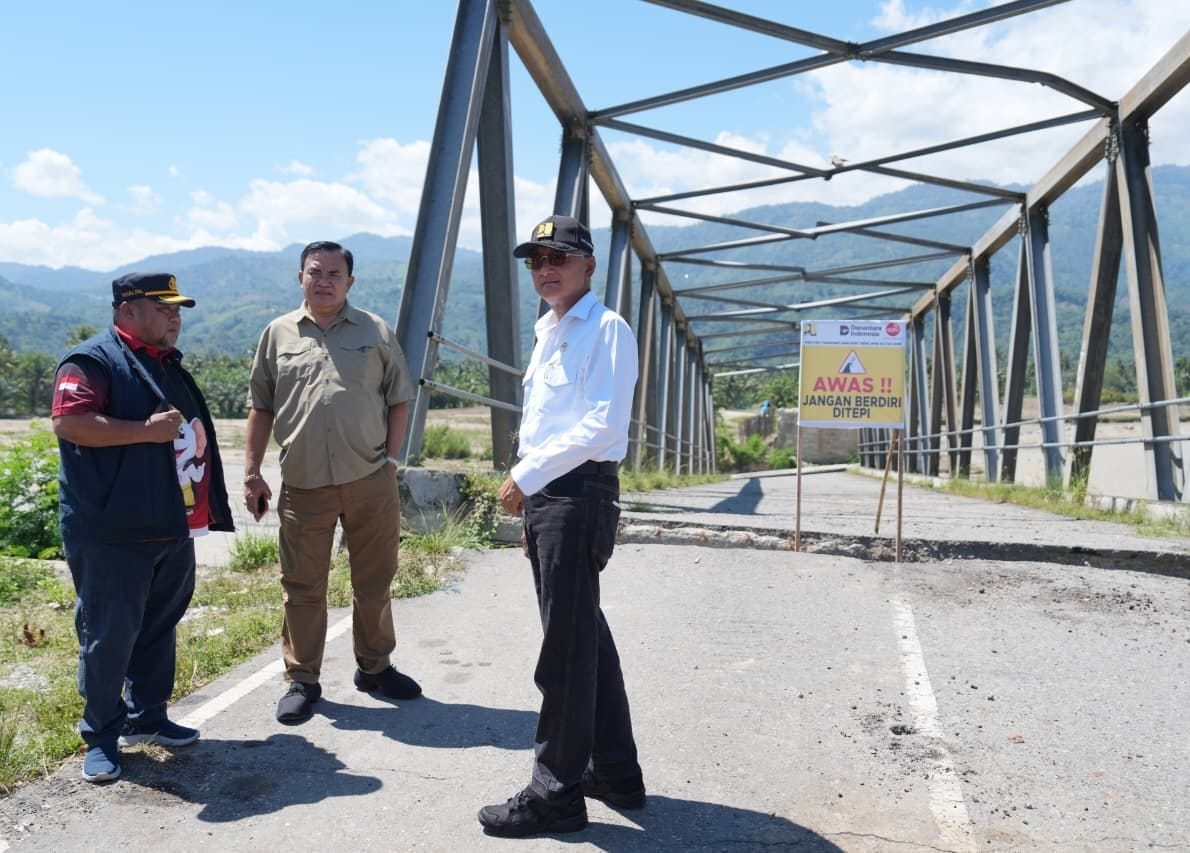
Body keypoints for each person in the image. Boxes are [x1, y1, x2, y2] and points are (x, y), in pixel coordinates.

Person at [478, 215, 645, 837]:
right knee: (585, 637)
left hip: (576, 495)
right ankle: (617, 772)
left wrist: (527, 474)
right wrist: (534, 482)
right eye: (536, 261)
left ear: (589, 265)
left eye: (559, 258)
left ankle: (555, 794)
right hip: (554, 497)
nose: (546, 269)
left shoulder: (605, 328)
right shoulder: (550, 330)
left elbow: (602, 424)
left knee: (566, 651)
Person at [52, 272, 234, 783]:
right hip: (112, 530)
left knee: (158, 627)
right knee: (108, 635)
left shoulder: (163, 362)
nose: (176, 317)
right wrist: (145, 433)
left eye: (179, 309)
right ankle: (102, 736)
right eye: (165, 307)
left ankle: (148, 717)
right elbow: (70, 422)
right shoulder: (92, 360)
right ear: (127, 309)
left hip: (169, 525)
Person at [244, 240, 421, 726]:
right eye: (314, 272)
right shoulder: (277, 334)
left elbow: (400, 396)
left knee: (374, 581)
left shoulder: (375, 330)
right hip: (304, 485)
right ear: (299, 277)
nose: (324, 280)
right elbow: (260, 406)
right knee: (302, 585)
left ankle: (376, 667)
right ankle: (303, 679)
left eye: (334, 273)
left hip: (369, 478)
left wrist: (390, 460)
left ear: (350, 281)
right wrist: (252, 472)